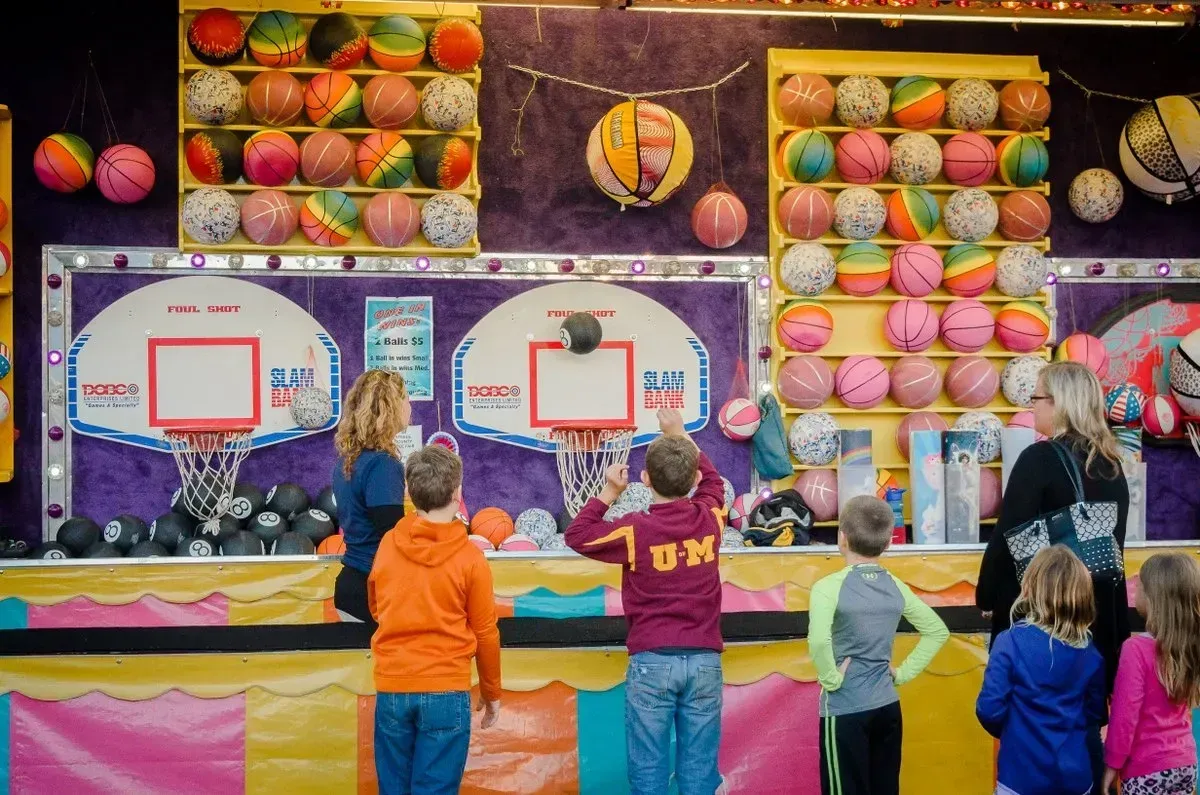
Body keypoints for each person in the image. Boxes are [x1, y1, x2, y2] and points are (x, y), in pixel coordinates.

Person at [564, 408, 725, 795]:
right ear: (694, 480)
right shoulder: (710, 519)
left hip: (652, 661)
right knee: (699, 774)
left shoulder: (637, 529)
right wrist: (681, 433)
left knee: (648, 774)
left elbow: (577, 534)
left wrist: (608, 492)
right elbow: (714, 481)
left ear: (645, 478)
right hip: (704, 660)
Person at [367, 444, 501, 795]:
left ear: (409, 493)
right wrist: (491, 692)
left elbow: (376, 606)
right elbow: (486, 633)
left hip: (394, 685)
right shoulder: (471, 559)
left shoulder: (386, 545)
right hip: (447, 688)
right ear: (458, 493)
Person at [809, 495, 949, 795]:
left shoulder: (827, 587)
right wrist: (902, 674)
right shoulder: (895, 585)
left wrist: (830, 678)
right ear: (888, 543)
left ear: (841, 538)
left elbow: (819, 640)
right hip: (887, 708)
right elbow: (937, 631)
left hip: (845, 709)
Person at [976, 545, 1109, 795]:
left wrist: (1014, 731)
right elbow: (1093, 715)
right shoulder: (1091, 654)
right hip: (1075, 777)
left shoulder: (1010, 641)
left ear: (1029, 589)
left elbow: (989, 709)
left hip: (1020, 777)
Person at [1103, 553, 1200, 795]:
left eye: (1141, 585)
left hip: (1146, 768)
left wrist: (1112, 764)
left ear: (1154, 597)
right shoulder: (1189, 646)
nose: (1135, 586)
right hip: (1185, 761)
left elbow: (1125, 716)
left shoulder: (1135, 650)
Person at [331, 369, 412, 626]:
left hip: (352, 585)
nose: (410, 407)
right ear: (391, 406)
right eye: (406, 399)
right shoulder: (383, 464)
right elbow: (392, 536)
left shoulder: (347, 461)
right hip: (373, 590)